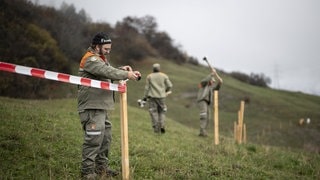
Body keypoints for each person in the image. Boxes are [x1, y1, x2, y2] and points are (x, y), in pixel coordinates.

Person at [77, 32, 141, 179]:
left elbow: (107, 71)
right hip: (91, 107)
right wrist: (125, 75)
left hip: (102, 107)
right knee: (94, 139)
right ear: (96, 46)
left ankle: (101, 169)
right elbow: (106, 71)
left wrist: (122, 69)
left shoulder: (100, 59)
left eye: (109, 48)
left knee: (105, 139)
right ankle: (87, 172)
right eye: (106, 48)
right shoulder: (90, 59)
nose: (108, 51)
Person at [143, 63, 173, 133]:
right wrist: (165, 91)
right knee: (162, 111)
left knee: (153, 112)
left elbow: (147, 88)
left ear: (153, 69)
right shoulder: (164, 76)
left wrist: (145, 97)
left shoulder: (149, 76)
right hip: (161, 97)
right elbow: (170, 85)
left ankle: (156, 128)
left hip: (152, 97)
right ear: (159, 68)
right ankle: (162, 125)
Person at [197, 68, 223, 137]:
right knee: (204, 115)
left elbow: (216, 90)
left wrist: (220, 83)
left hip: (207, 103)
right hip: (202, 100)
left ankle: (204, 131)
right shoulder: (204, 84)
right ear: (210, 80)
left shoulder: (210, 88)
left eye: (214, 82)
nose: (213, 83)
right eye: (212, 81)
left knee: (208, 117)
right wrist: (212, 74)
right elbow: (204, 80)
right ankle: (202, 131)